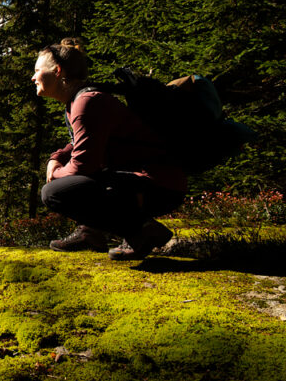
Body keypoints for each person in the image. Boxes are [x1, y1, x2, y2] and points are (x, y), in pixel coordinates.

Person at [34, 38, 186, 260]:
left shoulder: (87, 102)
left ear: (57, 71)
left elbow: (82, 167)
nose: (33, 77)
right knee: (80, 182)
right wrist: (56, 157)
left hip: (157, 184)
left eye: (37, 70)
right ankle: (91, 232)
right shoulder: (80, 100)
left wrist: (55, 173)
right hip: (142, 181)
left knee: (54, 192)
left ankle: (142, 230)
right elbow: (83, 140)